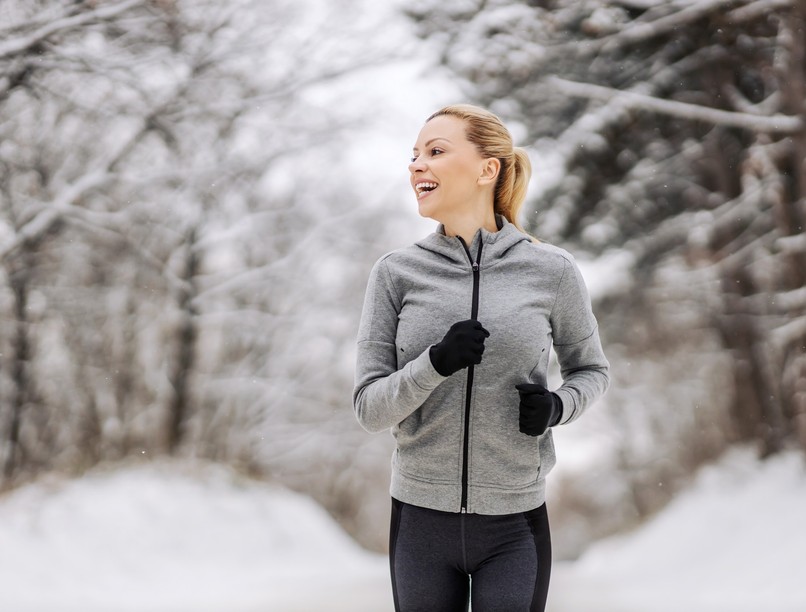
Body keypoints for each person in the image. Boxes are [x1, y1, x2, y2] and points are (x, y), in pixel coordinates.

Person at [352, 104, 610, 612]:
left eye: (436, 151)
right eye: (415, 155)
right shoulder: (395, 273)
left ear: (487, 169)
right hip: (420, 522)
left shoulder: (551, 270)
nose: (416, 165)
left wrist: (559, 407)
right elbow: (368, 407)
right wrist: (435, 364)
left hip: (514, 524)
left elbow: (592, 371)